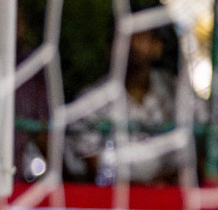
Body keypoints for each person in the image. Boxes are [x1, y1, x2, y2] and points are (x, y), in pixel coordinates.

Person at [66, 23, 196, 185]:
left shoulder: (176, 93)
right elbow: (92, 164)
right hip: (108, 198)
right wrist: (144, 189)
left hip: (171, 196)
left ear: (157, 47)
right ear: (110, 48)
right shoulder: (90, 101)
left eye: (140, 37)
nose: (133, 44)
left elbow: (201, 152)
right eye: (124, 38)